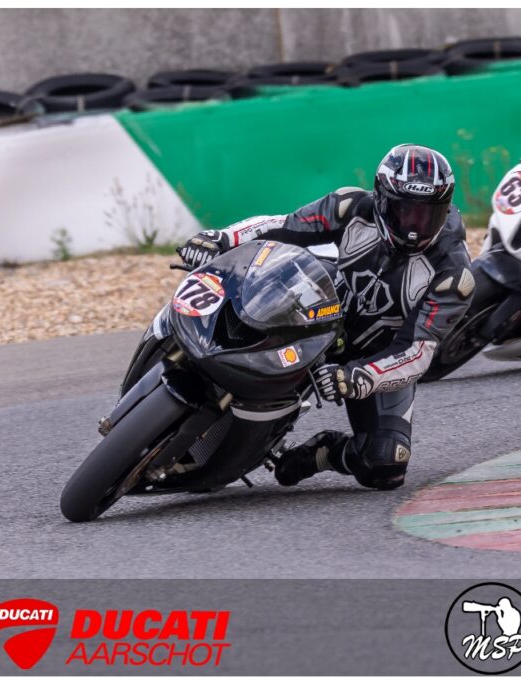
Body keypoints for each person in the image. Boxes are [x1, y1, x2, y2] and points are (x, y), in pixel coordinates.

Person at [177, 144, 474, 490]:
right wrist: (222, 238)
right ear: (381, 199)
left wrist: (359, 376)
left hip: (374, 356)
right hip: (312, 316)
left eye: (427, 215)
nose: (413, 227)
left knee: (386, 463)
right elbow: (282, 225)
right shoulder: (350, 207)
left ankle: (323, 453)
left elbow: (418, 352)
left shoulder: (454, 275)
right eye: (404, 211)